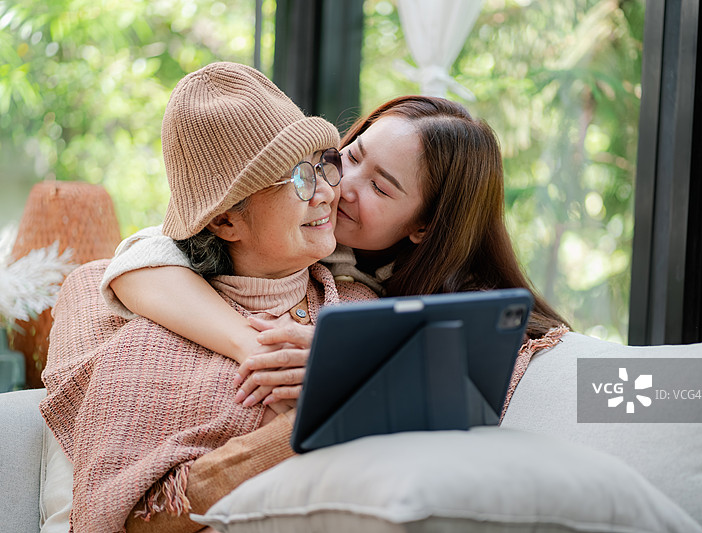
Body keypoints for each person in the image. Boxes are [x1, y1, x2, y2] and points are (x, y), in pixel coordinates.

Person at [39, 62, 376, 533]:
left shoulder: (362, 308)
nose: (325, 192)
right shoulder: (147, 344)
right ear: (225, 221)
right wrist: (302, 429)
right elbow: (131, 519)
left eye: (324, 164)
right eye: (299, 177)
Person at [102, 95, 571, 409]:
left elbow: (494, 355)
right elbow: (141, 259)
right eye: (352, 155)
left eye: (380, 188)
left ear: (424, 227)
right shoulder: (291, 223)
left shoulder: (456, 293)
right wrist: (253, 345)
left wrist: (350, 354)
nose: (341, 185)